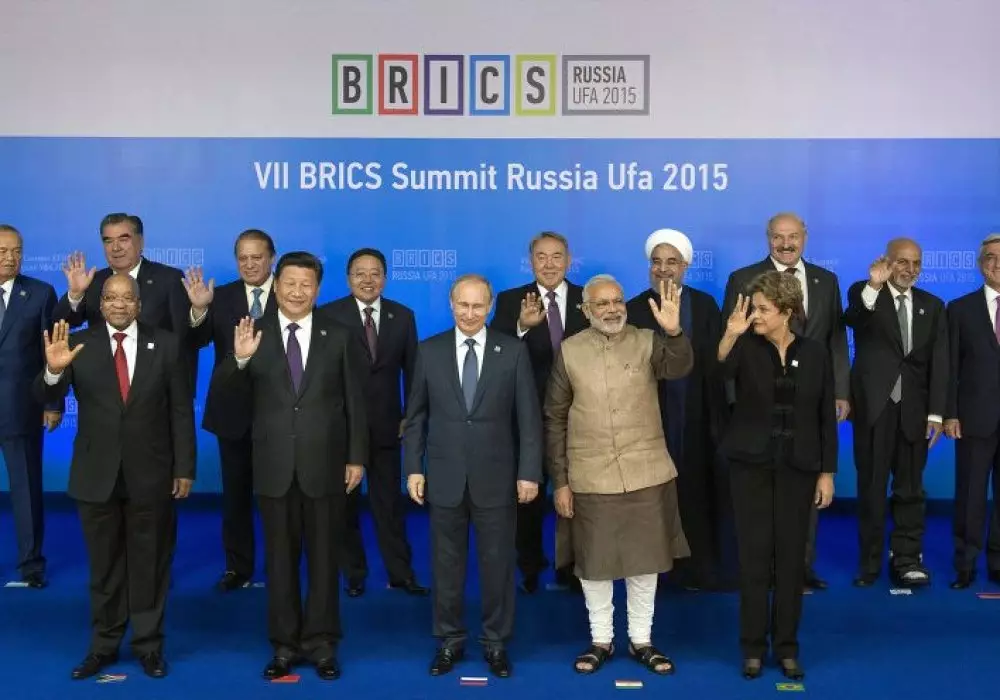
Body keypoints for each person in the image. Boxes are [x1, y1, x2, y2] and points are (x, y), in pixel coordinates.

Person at [209, 252, 367, 681]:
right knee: (279, 563)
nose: (298, 292)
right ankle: (283, 646)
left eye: (306, 284)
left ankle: (322, 644)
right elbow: (223, 400)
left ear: (318, 289)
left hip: (326, 466)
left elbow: (355, 401)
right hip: (273, 465)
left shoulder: (340, 334)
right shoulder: (251, 332)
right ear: (275, 286)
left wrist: (356, 457)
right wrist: (240, 360)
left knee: (324, 561)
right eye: (290, 283)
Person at [36, 273, 196, 680]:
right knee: (104, 567)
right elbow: (45, 395)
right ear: (100, 303)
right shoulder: (78, 343)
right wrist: (53, 371)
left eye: (127, 298)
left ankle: (149, 645)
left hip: (152, 472)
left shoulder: (167, 343)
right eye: (110, 297)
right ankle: (104, 645)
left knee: (150, 564)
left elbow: (180, 410)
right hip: (96, 473)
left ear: (139, 304)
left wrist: (184, 467)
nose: (119, 304)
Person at [546, 274, 693, 676]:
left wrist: (674, 331)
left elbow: (680, 367)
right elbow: (554, 418)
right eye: (602, 303)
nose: (612, 309)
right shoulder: (570, 350)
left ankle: (642, 640)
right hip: (590, 474)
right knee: (595, 563)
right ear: (585, 310)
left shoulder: (648, 340)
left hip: (646, 470)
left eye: (617, 301)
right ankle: (602, 640)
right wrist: (561, 481)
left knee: (645, 562)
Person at [403, 273, 542, 679]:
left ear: (490, 306)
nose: (469, 313)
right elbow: (416, 417)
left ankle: (495, 642)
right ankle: (449, 640)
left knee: (498, 566)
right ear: (451, 304)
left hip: (497, 478)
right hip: (444, 476)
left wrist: (529, 473)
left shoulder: (512, 351)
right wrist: (413, 467)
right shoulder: (429, 351)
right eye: (462, 305)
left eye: (477, 305)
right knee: (446, 566)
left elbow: (529, 421)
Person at [717, 271, 837, 682]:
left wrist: (826, 473)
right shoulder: (743, 346)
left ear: (787, 312)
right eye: (753, 308)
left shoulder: (816, 353)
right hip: (749, 466)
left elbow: (825, 417)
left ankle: (786, 647)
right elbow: (718, 374)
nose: (755, 316)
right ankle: (752, 648)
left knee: (790, 561)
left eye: (763, 309)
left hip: (799, 469)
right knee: (753, 559)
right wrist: (730, 334)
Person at [721, 213, 850, 590]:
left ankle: (800, 569)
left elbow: (835, 340)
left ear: (805, 237)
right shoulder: (742, 279)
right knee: (759, 503)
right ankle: (762, 571)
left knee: (803, 490)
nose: (786, 243)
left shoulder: (827, 280)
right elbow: (729, 348)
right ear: (768, 239)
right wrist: (736, 404)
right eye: (778, 237)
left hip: (807, 404)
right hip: (758, 406)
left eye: (793, 236)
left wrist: (841, 390)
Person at [626, 228, 730, 591]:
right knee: (653, 496)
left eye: (672, 262)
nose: (664, 269)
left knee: (696, 489)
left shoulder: (704, 305)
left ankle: (697, 567)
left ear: (685, 266)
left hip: (698, 413)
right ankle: (655, 569)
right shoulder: (634, 308)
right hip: (649, 417)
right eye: (657, 262)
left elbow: (716, 362)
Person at [320, 247, 427, 598]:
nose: (368, 280)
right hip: (341, 428)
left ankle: (401, 573)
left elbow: (414, 372)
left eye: (375, 273)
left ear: (385, 277)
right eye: (360, 273)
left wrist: (409, 416)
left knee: (390, 506)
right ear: (348, 278)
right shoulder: (328, 315)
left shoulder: (403, 316)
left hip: (387, 428)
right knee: (344, 507)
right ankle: (353, 573)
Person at [846, 238, 948, 588]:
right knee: (872, 489)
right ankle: (870, 563)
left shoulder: (933, 305)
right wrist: (874, 285)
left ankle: (906, 559)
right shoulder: (865, 292)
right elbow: (853, 319)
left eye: (916, 263)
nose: (910, 269)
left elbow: (940, 363)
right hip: (875, 408)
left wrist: (936, 414)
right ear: (887, 262)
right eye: (902, 262)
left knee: (911, 490)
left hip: (915, 412)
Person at [492, 231, 588, 593]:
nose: (549, 264)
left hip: (579, 415)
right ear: (531, 261)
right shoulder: (511, 300)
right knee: (528, 494)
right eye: (541, 257)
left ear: (569, 260)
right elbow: (495, 353)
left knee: (575, 492)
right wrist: (521, 328)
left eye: (556, 256)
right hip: (526, 415)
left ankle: (571, 566)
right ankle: (530, 567)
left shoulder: (587, 298)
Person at [185, 229, 278, 590]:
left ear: (271, 258)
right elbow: (196, 341)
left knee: (277, 498)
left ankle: (281, 566)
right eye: (243, 258)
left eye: (257, 257)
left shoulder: (291, 292)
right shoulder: (220, 297)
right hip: (232, 412)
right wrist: (198, 310)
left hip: (279, 413)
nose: (250, 264)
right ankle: (238, 568)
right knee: (236, 497)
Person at [0, 224, 62, 589]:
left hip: (20, 409)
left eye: (17, 251)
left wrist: (52, 403)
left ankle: (31, 565)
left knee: (25, 490)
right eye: (3, 251)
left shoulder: (39, 293)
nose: (11, 258)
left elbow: (50, 354)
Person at [55, 213, 191, 376]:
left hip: (156, 381)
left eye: (123, 239)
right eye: (108, 241)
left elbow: (184, 338)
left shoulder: (168, 279)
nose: (115, 248)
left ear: (140, 241)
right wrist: (75, 294)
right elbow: (61, 324)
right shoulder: (93, 281)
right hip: (103, 380)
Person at [944, 233, 1000, 589]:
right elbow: (948, 367)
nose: (997, 264)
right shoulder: (960, 309)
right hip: (974, 418)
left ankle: (998, 562)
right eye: (990, 257)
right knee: (970, 495)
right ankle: (965, 564)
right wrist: (950, 413)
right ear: (981, 265)